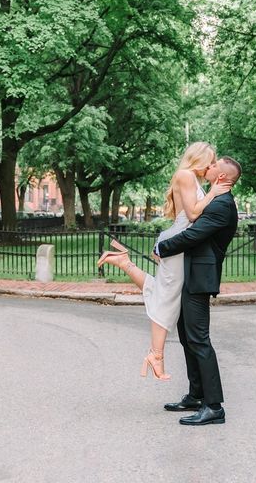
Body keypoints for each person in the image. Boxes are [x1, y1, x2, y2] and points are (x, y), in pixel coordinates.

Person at [97, 142, 231, 381]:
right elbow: (192, 215)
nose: (211, 167)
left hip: (179, 241)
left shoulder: (192, 178)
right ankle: (155, 355)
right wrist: (213, 193)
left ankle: (125, 262)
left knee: (164, 292)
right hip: (179, 241)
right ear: (197, 158)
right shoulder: (186, 175)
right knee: (166, 297)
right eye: (209, 161)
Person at [155, 155, 241, 426]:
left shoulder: (222, 205)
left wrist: (162, 247)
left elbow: (194, 236)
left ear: (222, 177)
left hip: (199, 278)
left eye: (214, 165)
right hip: (188, 275)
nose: (210, 165)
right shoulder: (215, 199)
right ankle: (195, 395)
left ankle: (214, 406)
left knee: (199, 339)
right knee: (187, 338)